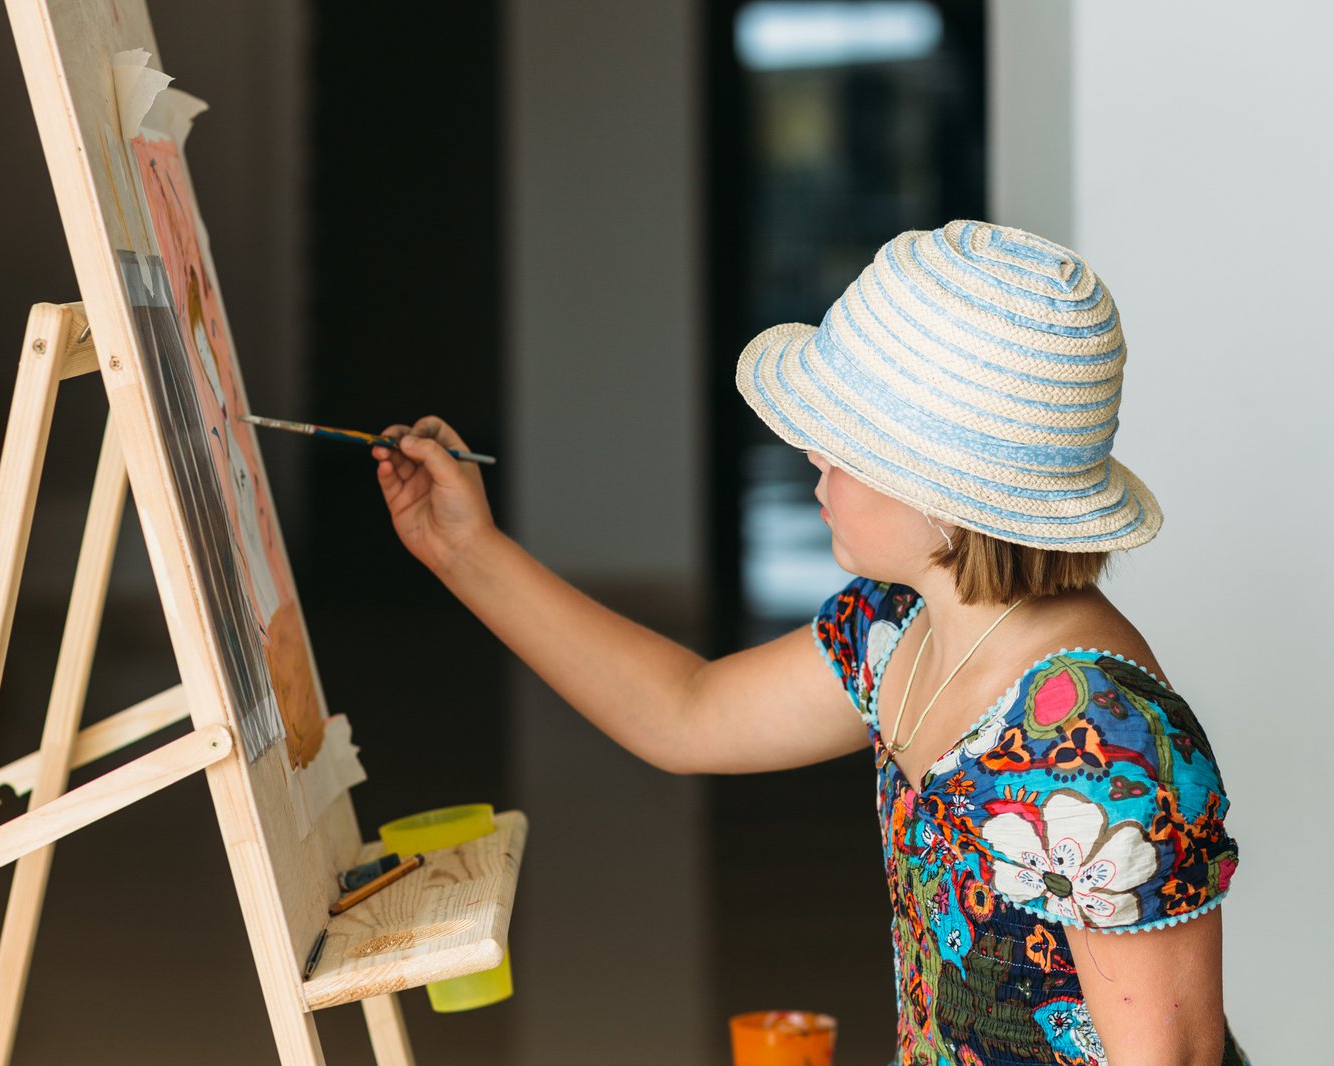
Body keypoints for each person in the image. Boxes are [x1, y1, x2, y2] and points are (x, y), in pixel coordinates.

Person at [372, 221, 1245, 1065]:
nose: (811, 455)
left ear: (943, 489)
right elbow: (686, 713)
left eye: (846, 441)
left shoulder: (1100, 739)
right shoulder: (895, 627)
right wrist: (464, 551)